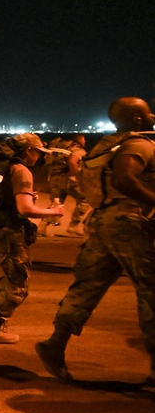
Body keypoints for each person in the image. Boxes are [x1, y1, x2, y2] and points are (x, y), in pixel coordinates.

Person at [36, 97, 155, 383]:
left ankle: (55, 344)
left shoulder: (107, 144)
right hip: (131, 223)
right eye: (146, 111)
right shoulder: (138, 144)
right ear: (136, 119)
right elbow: (124, 179)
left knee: (88, 285)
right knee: (151, 289)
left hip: (103, 222)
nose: (152, 114)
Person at [0, 133, 64, 344]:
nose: (40, 157)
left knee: (10, 276)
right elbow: (25, 209)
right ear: (29, 151)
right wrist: (54, 212)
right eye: (39, 153)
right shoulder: (21, 170)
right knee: (19, 284)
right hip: (7, 233)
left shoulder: (0, 165)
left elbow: (5, 197)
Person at [41, 134, 91, 236]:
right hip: (70, 181)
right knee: (84, 199)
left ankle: (42, 226)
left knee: (56, 203)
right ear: (78, 139)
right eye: (83, 138)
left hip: (55, 179)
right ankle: (74, 225)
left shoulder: (58, 148)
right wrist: (78, 177)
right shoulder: (77, 150)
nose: (85, 141)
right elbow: (73, 161)